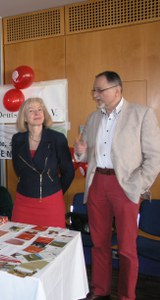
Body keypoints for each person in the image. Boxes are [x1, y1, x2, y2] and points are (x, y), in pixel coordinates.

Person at [74, 71, 160, 300]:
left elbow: (154, 156)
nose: (95, 95)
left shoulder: (142, 114)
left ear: (117, 90)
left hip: (125, 186)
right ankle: (100, 289)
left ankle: (126, 296)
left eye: (99, 90)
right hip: (97, 184)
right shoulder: (93, 118)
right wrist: (81, 153)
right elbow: (86, 154)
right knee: (99, 242)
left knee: (126, 248)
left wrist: (139, 184)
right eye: (94, 90)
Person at [11, 97, 75, 228]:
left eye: (40, 109)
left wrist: (53, 190)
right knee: (20, 242)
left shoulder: (57, 139)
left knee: (51, 244)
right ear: (24, 118)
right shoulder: (17, 139)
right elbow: (18, 170)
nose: (37, 113)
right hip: (23, 203)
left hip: (51, 204)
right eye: (31, 110)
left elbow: (68, 172)